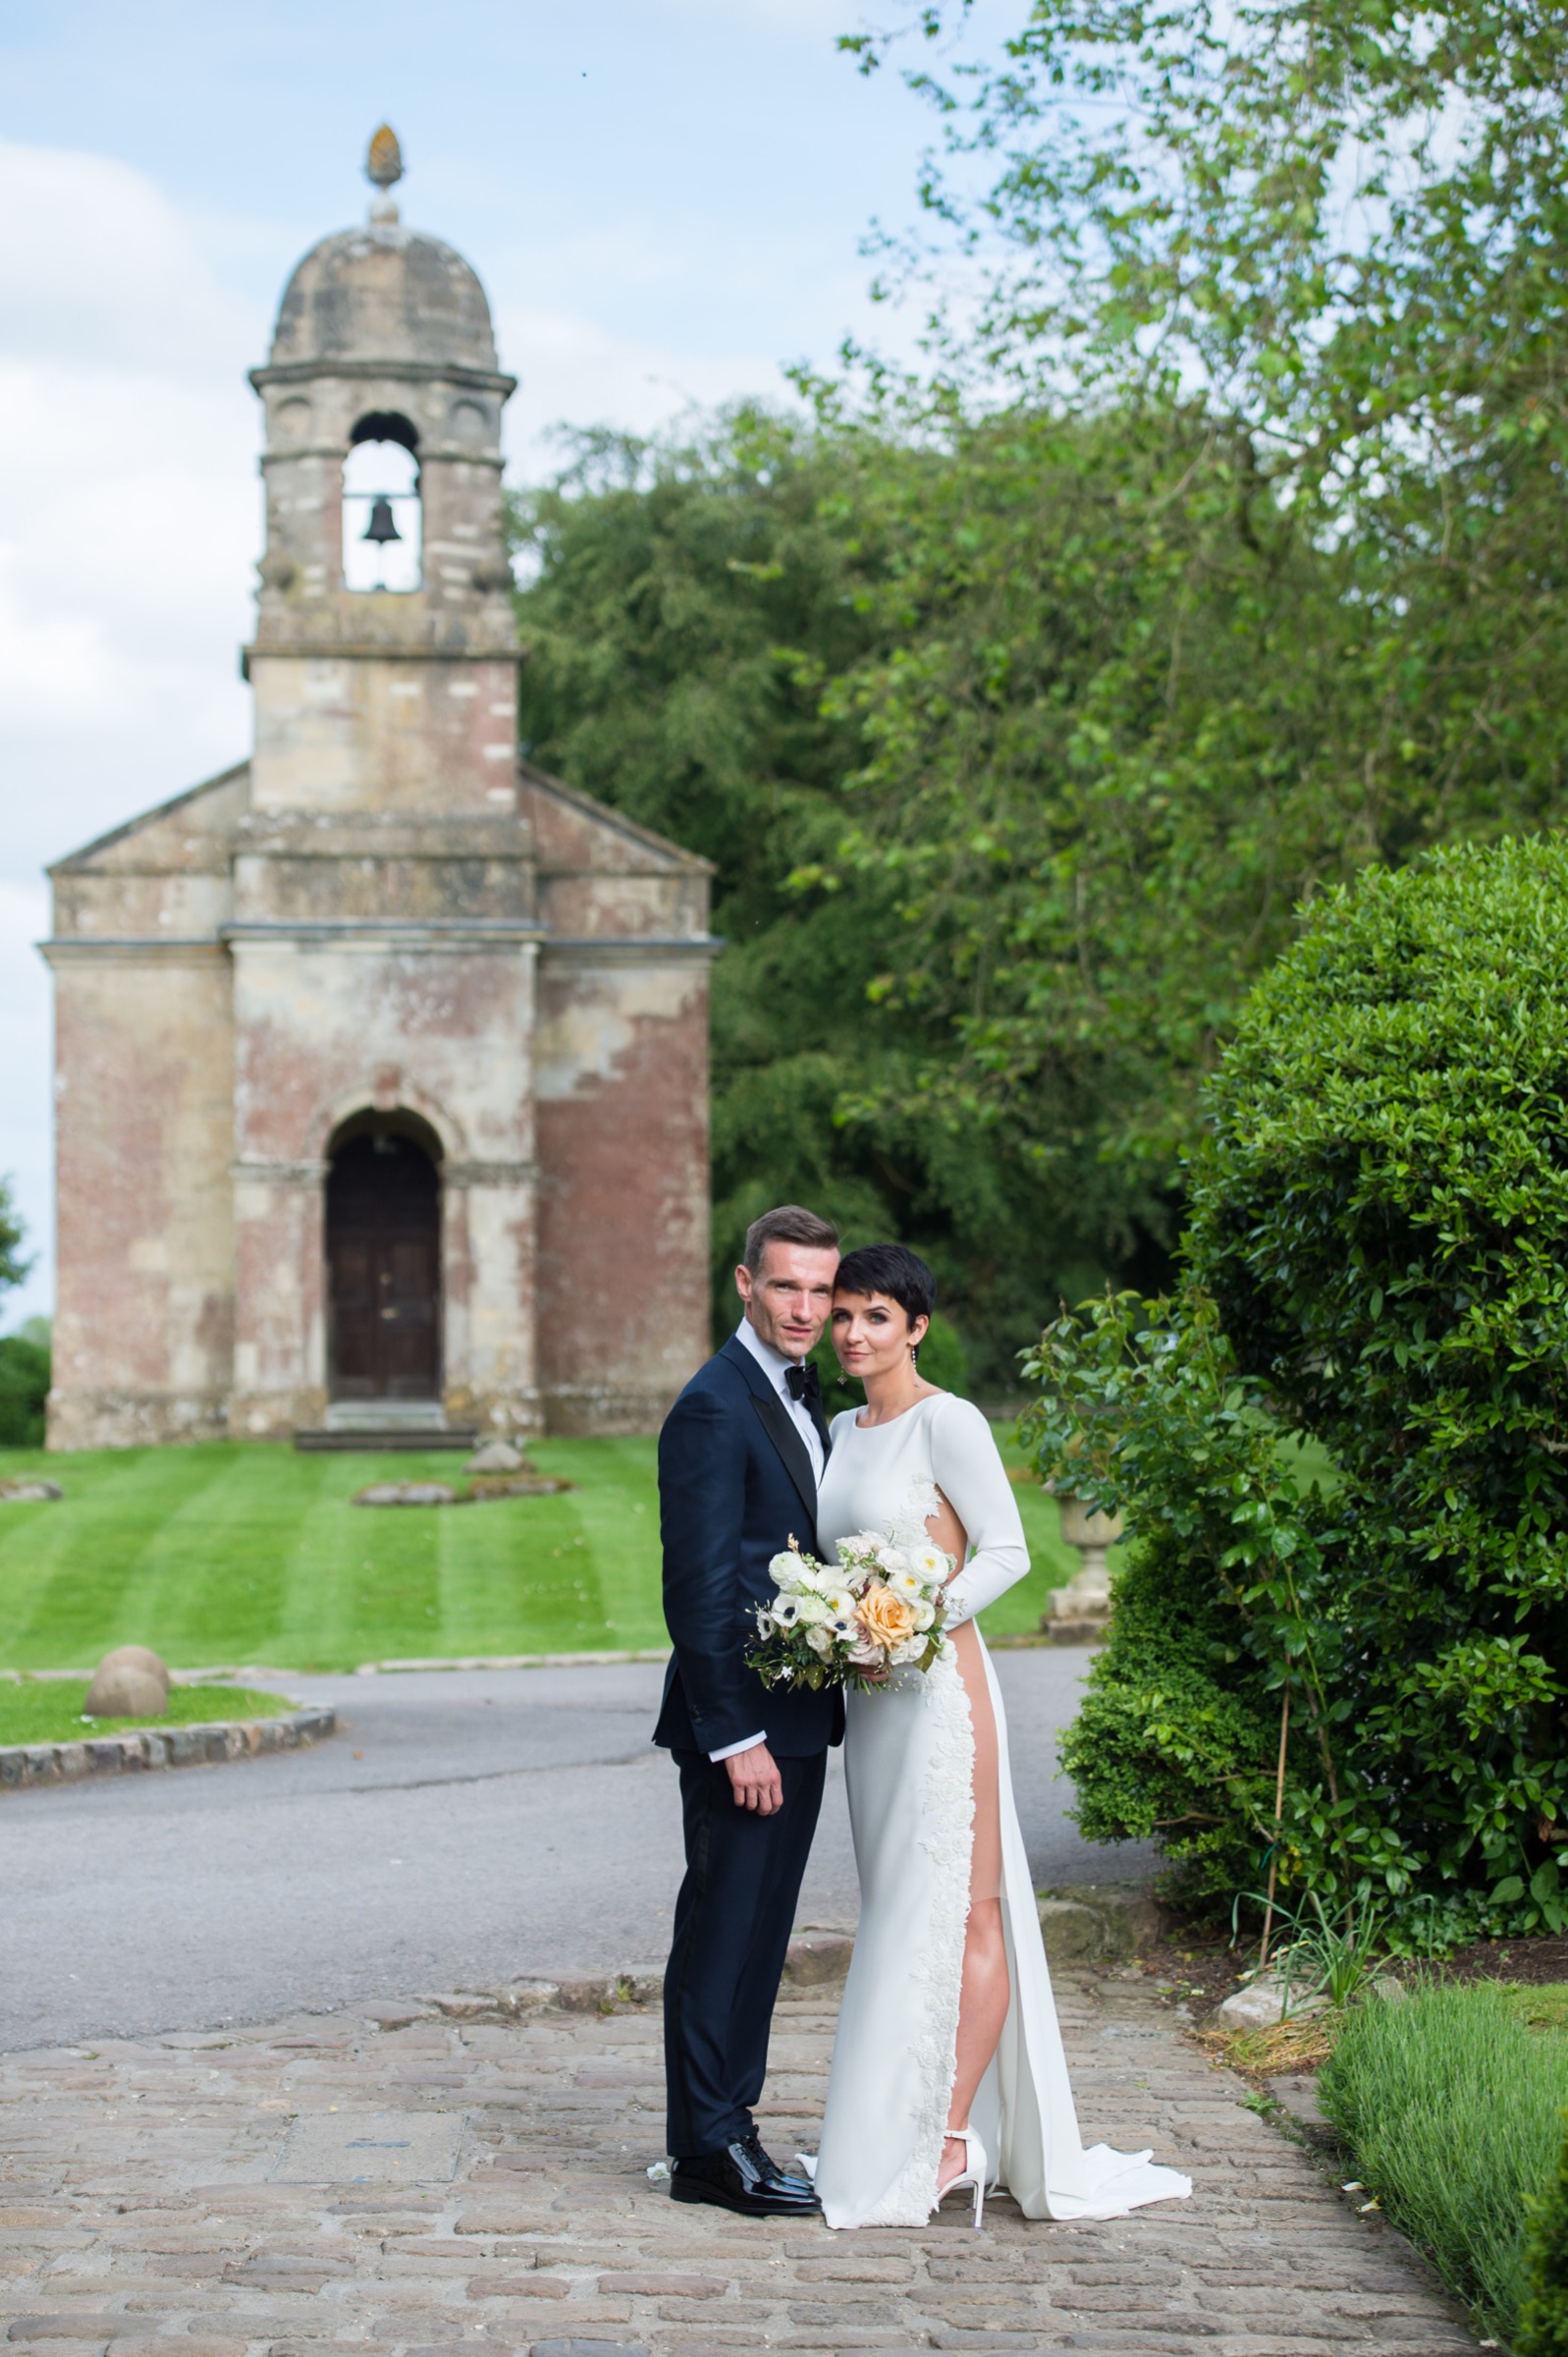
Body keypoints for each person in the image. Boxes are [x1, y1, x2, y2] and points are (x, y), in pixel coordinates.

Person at [810, 1243, 1191, 2229]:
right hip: (870, 1701)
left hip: (937, 1692)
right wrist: (844, 1624)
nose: (855, 1333)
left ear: (917, 1326)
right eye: (845, 1315)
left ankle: (944, 2141)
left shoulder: (949, 1421)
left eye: (876, 1318)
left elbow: (1010, 1549)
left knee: (968, 1910)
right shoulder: (839, 1431)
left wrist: (913, 1620)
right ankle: (890, 2123)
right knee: (898, 1912)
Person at [654, 1203, 844, 2218]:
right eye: (786, 1287)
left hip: (800, 1716)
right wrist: (736, 1736)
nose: (806, 1308)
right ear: (744, 1285)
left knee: (762, 1938)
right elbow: (698, 1590)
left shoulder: (796, 1392)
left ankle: (735, 2125)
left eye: (820, 1288)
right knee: (724, 1935)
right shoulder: (715, 1404)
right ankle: (706, 2152)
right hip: (745, 1732)